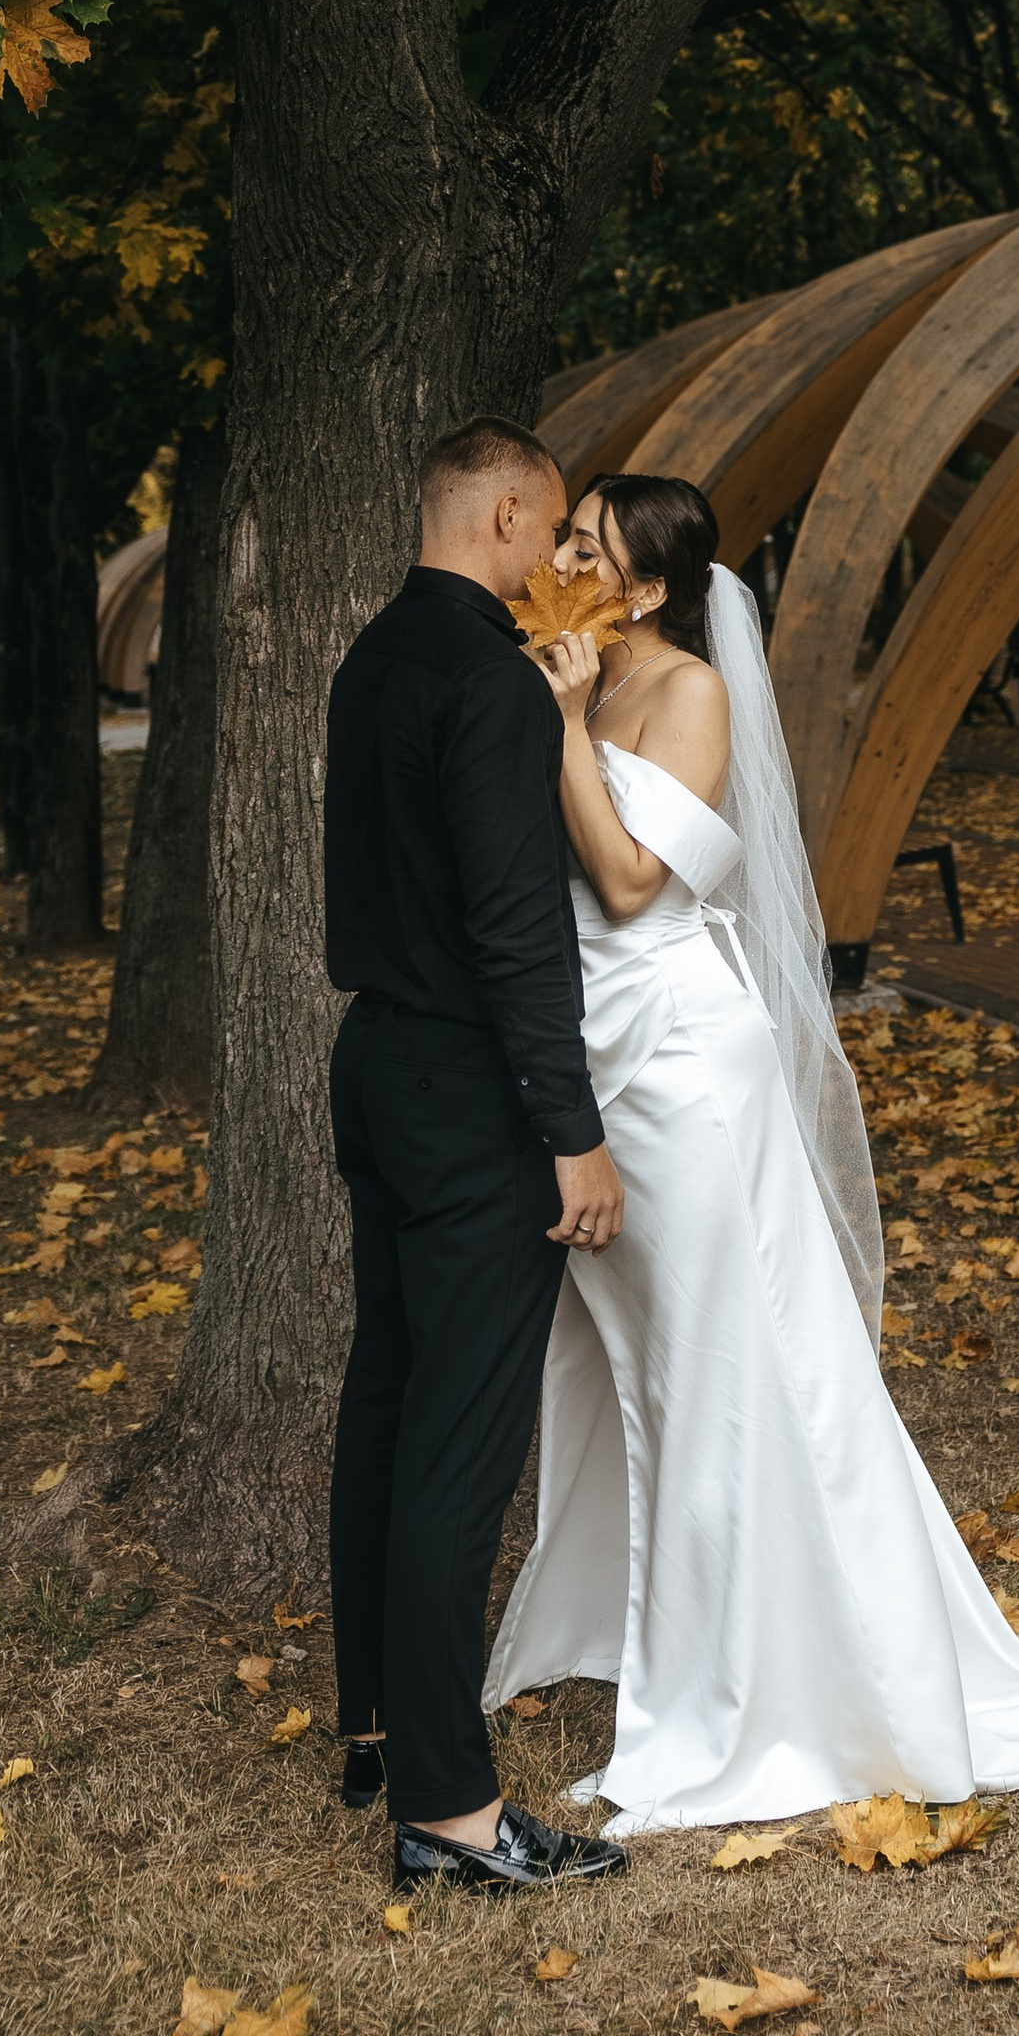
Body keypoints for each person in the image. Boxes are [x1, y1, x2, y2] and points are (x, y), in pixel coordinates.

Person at [486, 468, 1019, 1832]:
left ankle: (764, 1677)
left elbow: (634, 882)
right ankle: (658, 1629)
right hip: (591, 1049)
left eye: (585, 548)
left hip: (681, 1060)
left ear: (642, 589)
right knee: (631, 1359)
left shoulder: (685, 692)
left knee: (728, 1360)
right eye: (561, 537)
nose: (556, 557)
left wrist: (565, 721)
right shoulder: (556, 676)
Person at [323, 414, 635, 1900]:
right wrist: (571, 1134)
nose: (554, 562)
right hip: (466, 1089)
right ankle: (449, 1811)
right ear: (508, 513)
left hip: (373, 1064)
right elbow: (521, 931)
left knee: (386, 1398)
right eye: (552, 527)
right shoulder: (491, 685)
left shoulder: (375, 658)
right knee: (457, 1439)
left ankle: (377, 1724)